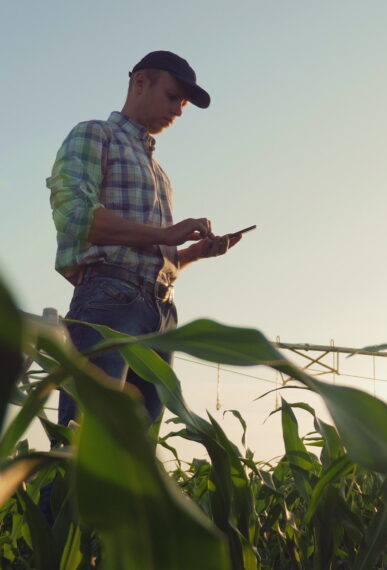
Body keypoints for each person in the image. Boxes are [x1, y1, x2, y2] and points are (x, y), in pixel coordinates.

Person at [47, 50, 240, 428]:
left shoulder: (159, 172)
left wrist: (193, 254)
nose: (179, 111)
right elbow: (73, 216)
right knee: (83, 444)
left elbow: (147, 253)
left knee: (136, 461)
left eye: (184, 103)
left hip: (161, 311)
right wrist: (165, 234)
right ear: (140, 82)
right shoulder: (94, 134)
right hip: (110, 301)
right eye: (173, 97)